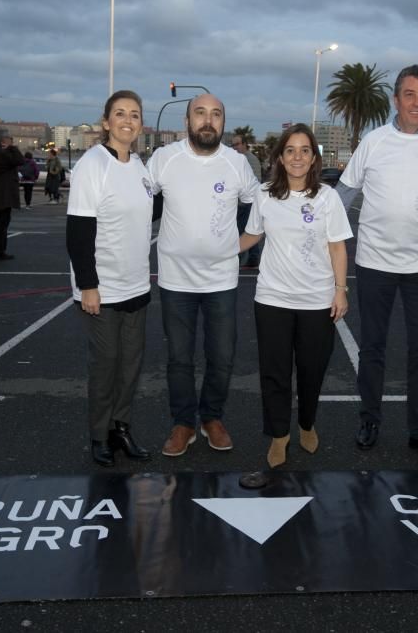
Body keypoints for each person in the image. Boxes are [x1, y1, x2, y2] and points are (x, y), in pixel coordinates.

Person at [334, 65, 418, 464]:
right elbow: (341, 197)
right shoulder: (374, 142)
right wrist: (322, 245)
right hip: (374, 263)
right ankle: (369, 419)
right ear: (396, 98)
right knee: (372, 348)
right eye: (409, 93)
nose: (416, 101)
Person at [147, 94, 260, 457]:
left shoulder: (236, 163)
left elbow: (261, 207)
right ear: (187, 121)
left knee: (222, 356)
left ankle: (212, 417)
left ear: (224, 122)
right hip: (175, 281)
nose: (208, 121)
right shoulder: (164, 159)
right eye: (200, 113)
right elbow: (135, 204)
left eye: (216, 114)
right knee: (179, 358)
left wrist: (240, 245)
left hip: (221, 282)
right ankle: (183, 423)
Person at [238, 124, 353, 468]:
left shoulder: (327, 197)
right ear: (280, 157)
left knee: (311, 370)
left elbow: (337, 247)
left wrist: (341, 290)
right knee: (274, 373)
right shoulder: (265, 194)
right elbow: (251, 236)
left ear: (314, 157)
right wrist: (216, 249)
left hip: (317, 302)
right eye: (290, 150)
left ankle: (306, 423)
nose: (298, 156)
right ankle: (279, 436)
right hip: (272, 299)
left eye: (305, 150)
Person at [66, 90, 154, 467]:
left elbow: (151, 211)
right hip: (101, 287)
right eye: (120, 113)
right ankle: (99, 435)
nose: (127, 120)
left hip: (136, 283)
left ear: (140, 124)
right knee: (106, 364)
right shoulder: (92, 165)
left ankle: (121, 428)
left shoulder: (139, 166)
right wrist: (88, 285)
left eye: (134, 114)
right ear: (106, 122)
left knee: (130, 365)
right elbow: (78, 231)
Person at [0, 129, 24, 260]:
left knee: (1, 221)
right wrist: (12, 148)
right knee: (3, 222)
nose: (11, 140)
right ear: (4, 140)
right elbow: (19, 160)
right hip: (4, 192)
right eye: (9, 138)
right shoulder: (4, 152)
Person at [232, 134, 264, 267]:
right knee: (245, 231)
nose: (235, 147)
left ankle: (248, 259)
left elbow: (254, 182)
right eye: (233, 145)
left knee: (246, 231)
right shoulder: (239, 159)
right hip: (242, 203)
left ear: (244, 144)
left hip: (249, 203)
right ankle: (250, 259)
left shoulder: (249, 160)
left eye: (237, 144)